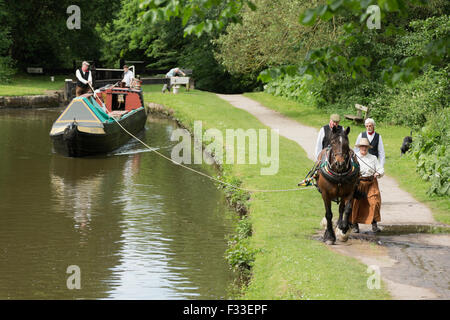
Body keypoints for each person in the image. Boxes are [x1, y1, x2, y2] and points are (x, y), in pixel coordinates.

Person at [350, 138, 384, 233]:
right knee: (355, 203)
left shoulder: (373, 158)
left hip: (371, 183)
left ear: (368, 148)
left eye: (365, 146)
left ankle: (374, 224)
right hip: (359, 183)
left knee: (375, 202)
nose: (363, 148)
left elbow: (380, 169)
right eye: (362, 146)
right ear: (359, 147)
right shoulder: (355, 157)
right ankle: (354, 224)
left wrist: (378, 173)